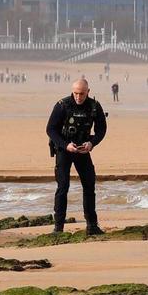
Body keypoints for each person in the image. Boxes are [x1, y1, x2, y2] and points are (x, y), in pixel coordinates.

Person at [46, 78, 107, 235]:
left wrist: (92, 143)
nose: (78, 97)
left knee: (89, 185)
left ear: (88, 92)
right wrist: (65, 145)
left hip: (83, 150)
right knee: (63, 187)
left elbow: (101, 129)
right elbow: (50, 129)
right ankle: (58, 228)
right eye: (76, 93)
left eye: (82, 94)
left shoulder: (94, 106)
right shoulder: (62, 105)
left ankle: (92, 226)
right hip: (64, 150)